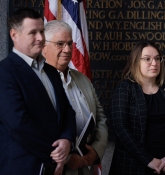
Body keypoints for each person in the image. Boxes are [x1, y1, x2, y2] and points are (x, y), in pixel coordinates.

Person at [0, 8, 76, 175]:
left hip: (56, 166)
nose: (41, 38)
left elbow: (67, 111)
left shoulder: (51, 71)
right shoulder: (4, 72)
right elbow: (18, 124)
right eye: (33, 32)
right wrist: (56, 154)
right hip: (24, 167)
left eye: (42, 31)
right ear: (14, 35)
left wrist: (67, 140)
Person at [109, 41, 165, 175]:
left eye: (157, 58)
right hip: (132, 166)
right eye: (147, 59)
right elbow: (120, 128)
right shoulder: (125, 88)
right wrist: (148, 160)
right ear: (136, 62)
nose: (154, 63)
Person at [42, 20, 108, 175]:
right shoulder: (37, 82)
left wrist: (96, 151)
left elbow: (100, 119)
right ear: (44, 47)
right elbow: (36, 129)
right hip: (57, 168)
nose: (67, 49)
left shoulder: (82, 79)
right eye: (60, 44)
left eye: (70, 43)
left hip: (87, 167)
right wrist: (67, 157)